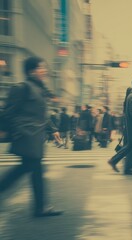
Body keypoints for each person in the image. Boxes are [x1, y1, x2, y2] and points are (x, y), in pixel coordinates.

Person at [0, 56, 63, 217]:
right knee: (33, 169)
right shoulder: (23, 88)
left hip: (34, 137)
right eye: (41, 68)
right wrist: (12, 130)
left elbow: (41, 115)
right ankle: (41, 207)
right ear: (31, 71)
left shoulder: (38, 88)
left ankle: (41, 207)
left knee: (27, 170)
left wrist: (53, 129)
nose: (44, 71)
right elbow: (8, 112)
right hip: (26, 136)